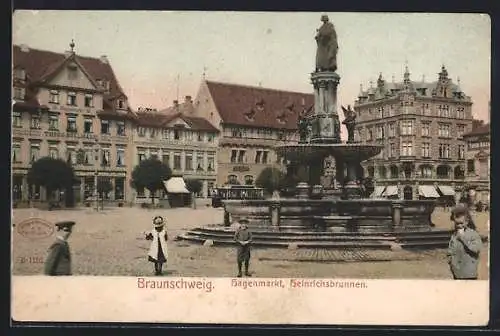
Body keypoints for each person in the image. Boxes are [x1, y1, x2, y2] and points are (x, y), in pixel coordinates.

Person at [447, 205, 482, 280]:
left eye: (461, 223)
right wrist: (451, 261)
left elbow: (476, 249)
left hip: (469, 272)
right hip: (457, 271)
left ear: (467, 221)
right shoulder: (454, 235)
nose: (459, 226)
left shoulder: (473, 234)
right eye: (457, 223)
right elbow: (450, 248)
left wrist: (463, 238)